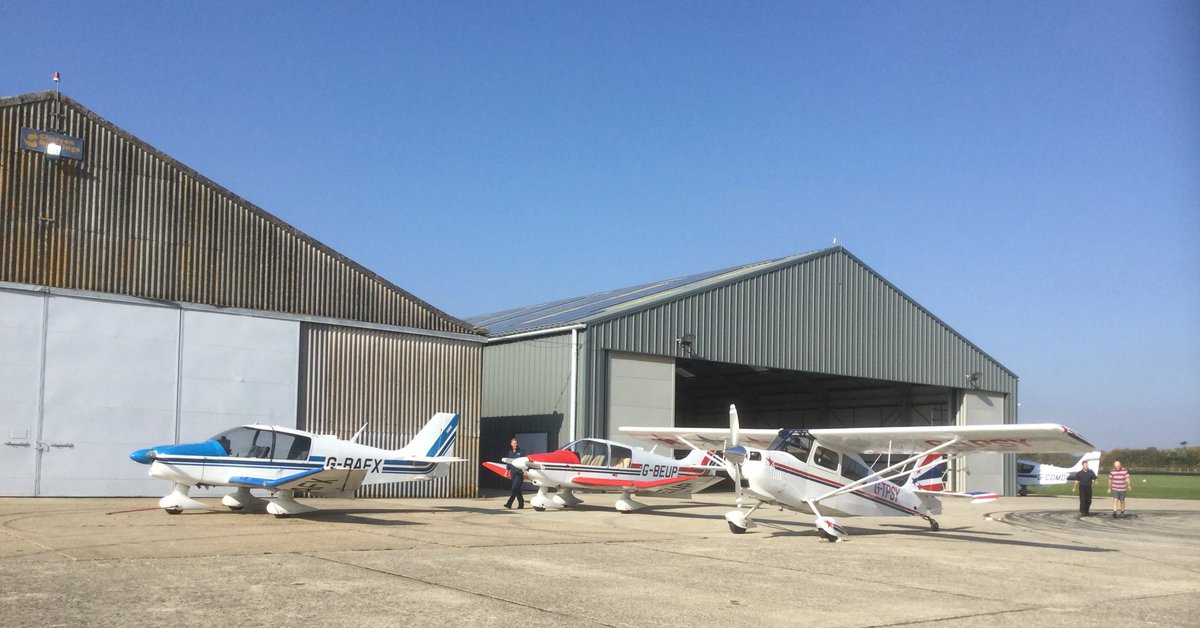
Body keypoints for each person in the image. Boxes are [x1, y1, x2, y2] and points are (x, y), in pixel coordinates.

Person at [503, 437, 526, 509]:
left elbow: (525, 462)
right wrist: (507, 471)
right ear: (511, 444)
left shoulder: (522, 452)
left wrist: (525, 473)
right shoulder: (510, 452)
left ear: (517, 444)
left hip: (519, 473)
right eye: (513, 443)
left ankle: (509, 504)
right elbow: (509, 463)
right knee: (517, 489)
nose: (515, 445)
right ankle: (521, 504)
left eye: (516, 443)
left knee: (514, 488)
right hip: (513, 472)